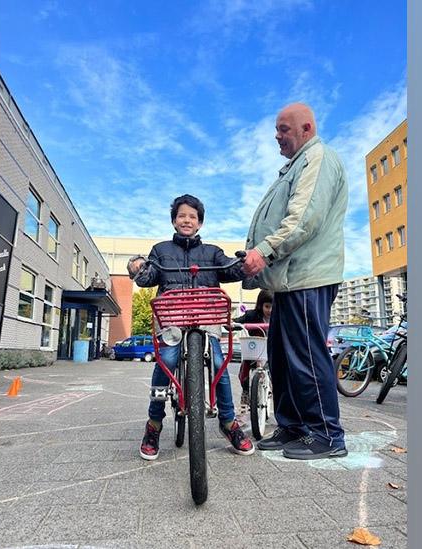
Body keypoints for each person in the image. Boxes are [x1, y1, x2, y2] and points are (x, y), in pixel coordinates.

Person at [241, 103, 349, 460]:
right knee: (282, 358)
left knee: (305, 353)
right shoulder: (296, 165)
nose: (277, 135)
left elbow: (304, 219)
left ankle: (327, 434)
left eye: (283, 129)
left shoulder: (318, 159)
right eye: (277, 129)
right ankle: (293, 427)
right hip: (288, 280)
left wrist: (264, 253)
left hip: (307, 275)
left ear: (306, 128)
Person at [128, 194, 256, 460]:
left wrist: (244, 265)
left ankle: (228, 422)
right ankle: (154, 424)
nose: (187, 220)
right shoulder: (161, 250)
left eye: (193, 217)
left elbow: (229, 270)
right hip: (173, 318)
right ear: (174, 221)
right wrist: (138, 267)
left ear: (200, 224)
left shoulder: (212, 252)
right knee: (167, 358)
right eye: (182, 215)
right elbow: (149, 276)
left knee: (220, 362)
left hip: (206, 318)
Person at [233, 289, 273, 410]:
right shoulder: (252, 315)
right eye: (267, 306)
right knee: (246, 366)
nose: (270, 310)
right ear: (261, 305)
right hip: (256, 348)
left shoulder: (280, 316)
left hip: (272, 348)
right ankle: (245, 391)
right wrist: (231, 324)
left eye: (272, 307)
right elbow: (239, 322)